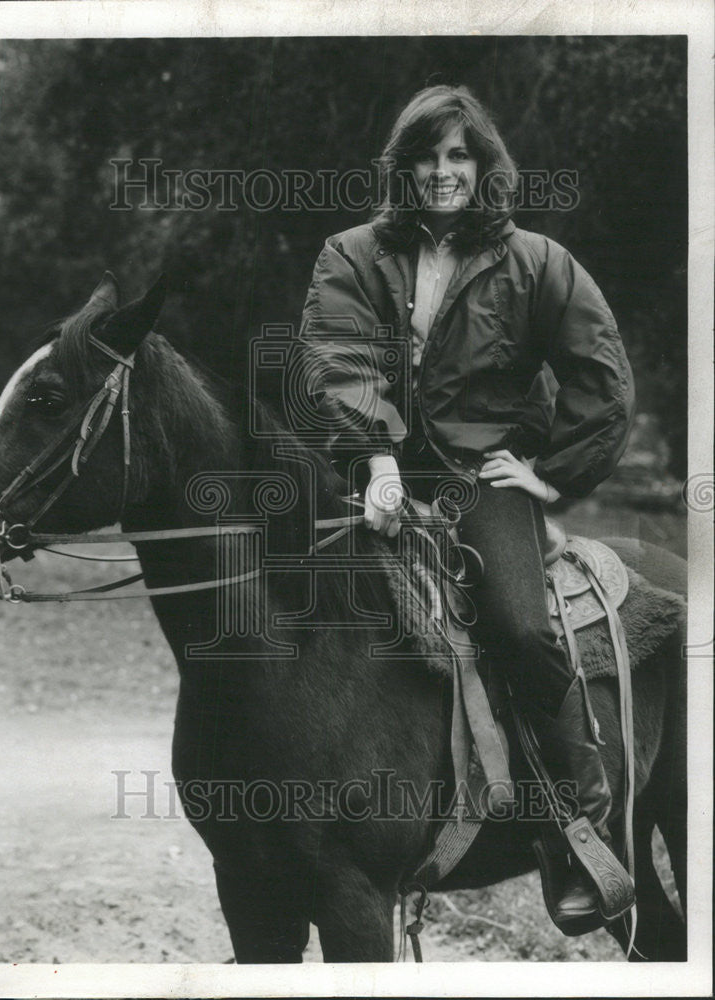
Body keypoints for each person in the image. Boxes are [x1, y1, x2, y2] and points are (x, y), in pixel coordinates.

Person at [299, 84, 636, 927]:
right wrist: (375, 461)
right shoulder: (351, 254)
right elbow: (338, 362)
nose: (443, 171)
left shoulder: (537, 261)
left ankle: (575, 821)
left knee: (518, 625)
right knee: (286, 595)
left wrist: (550, 474)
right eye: (428, 155)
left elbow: (603, 381)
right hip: (375, 472)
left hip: (484, 483)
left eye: (460, 155)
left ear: (483, 166)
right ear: (403, 165)